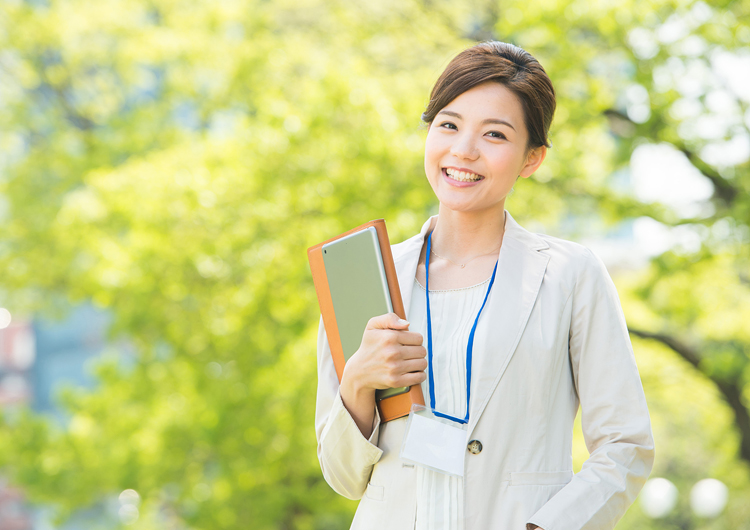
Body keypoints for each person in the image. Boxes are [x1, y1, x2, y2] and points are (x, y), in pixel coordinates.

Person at [315, 41, 654, 530]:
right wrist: (357, 381)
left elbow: (626, 445)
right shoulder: (362, 274)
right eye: (448, 125)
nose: (463, 150)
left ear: (531, 159)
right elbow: (345, 478)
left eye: (494, 134)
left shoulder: (570, 275)